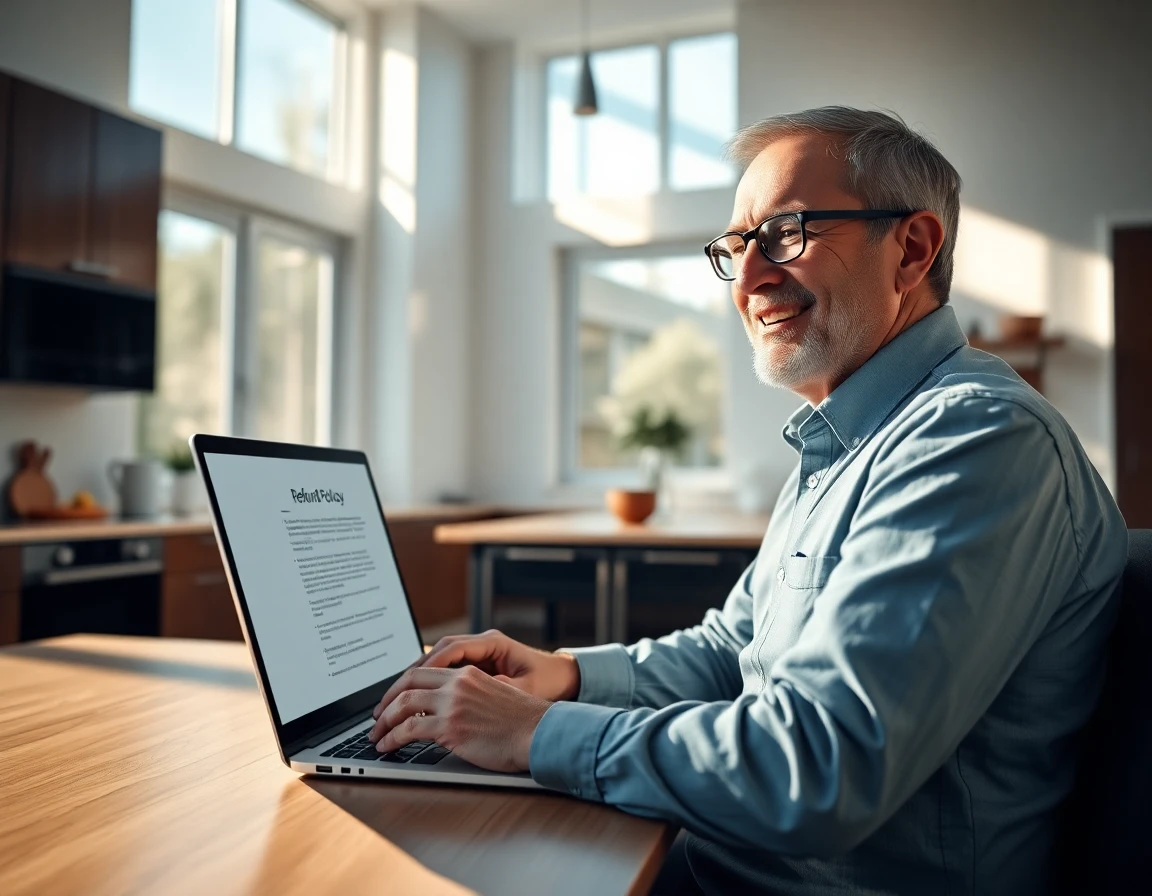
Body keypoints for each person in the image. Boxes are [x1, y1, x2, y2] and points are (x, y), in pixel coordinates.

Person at [368, 107, 1128, 895]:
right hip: (720, 860)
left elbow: (820, 768)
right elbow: (736, 650)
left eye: (788, 233)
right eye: (737, 247)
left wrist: (539, 733)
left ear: (911, 249)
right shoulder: (842, 444)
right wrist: (563, 677)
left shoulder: (973, 440)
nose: (752, 277)